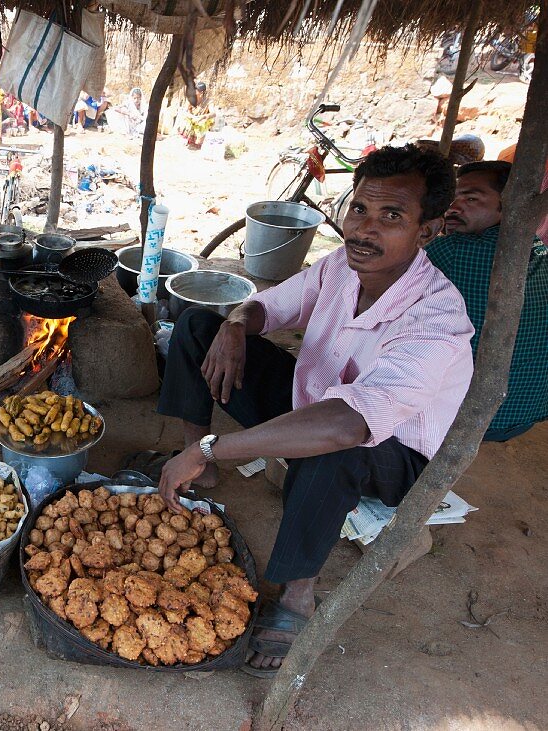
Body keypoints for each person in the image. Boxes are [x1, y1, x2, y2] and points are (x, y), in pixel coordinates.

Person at [156, 144, 473, 676]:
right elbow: (272, 305)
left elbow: (350, 423)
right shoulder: (339, 268)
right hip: (316, 401)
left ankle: (298, 592)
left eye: (391, 216)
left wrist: (215, 444)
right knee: (197, 328)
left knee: (338, 448)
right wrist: (234, 324)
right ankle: (202, 471)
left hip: (391, 454)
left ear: (427, 231)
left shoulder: (437, 319)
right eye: (358, 210)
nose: (364, 230)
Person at [426, 160, 548, 441]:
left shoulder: (453, 252)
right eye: (453, 198)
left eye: (471, 198)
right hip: (525, 414)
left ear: (507, 205)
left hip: (469, 418)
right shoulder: (539, 249)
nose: (454, 208)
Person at [177, 82, 216, 149]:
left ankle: (198, 141)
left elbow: (214, 113)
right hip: (192, 119)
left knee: (204, 124)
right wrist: (193, 117)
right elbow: (184, 111)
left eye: (196, 90)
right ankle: (188, 139)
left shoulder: (208, 101)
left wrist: (204, 116)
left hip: (201, 121)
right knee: (185, 120)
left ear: (201, 92)